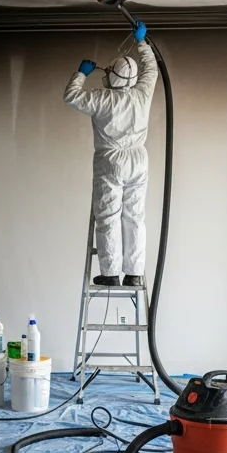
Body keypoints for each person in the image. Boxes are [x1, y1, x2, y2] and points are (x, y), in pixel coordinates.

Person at [63, 22, 157, 287]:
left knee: (108, 217)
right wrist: (142, 42)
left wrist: (82, 73)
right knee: (135, 216)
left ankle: (111, 273)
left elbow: (71, 97)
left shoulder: (101, 98)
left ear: (111, 76)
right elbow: (151, 69)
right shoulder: (143, 93)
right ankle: (135, 274)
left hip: (111, 160)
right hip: (139, 159)